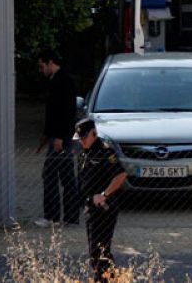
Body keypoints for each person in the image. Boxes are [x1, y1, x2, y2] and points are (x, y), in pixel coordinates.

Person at [75, 118, 127, 282]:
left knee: (101, 251)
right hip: (90, 207)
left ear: (94, 133)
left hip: (105, 207)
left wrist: (104, 194)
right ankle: (111, 279)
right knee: (94, 252)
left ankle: (105, 280)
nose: (81, 142)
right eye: (80, 139)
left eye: (84, 138)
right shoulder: (85, 152)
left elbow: (121, 175)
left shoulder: (106, 151)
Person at [34, 50, 80, 228]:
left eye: (42, 66)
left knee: (52, 175)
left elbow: (66, 112)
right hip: (58, 135)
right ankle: (69, 218)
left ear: (50, 63)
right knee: (65, 176)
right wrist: (46, 135)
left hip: (61, 137)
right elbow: (53, 113)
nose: (41, 70)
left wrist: (59, 136)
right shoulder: (57, 81)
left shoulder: (63, 82)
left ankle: (52, 217)